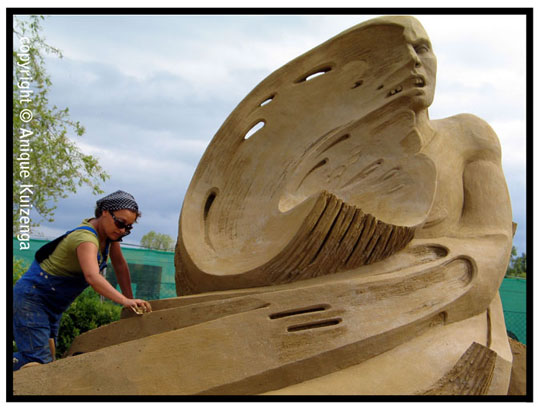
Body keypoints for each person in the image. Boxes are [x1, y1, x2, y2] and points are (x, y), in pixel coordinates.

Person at [13, 190, 152, 371]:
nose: (122, 230)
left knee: (48, 360)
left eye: (128, 228)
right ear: (104, 212)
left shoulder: (110, 237)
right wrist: (125, 301)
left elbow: (120, 266)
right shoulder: (86, 238)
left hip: (52, 306)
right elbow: (92, 277)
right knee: (37, 363)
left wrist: (131, 304)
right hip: (32, 299)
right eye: (120, 223)